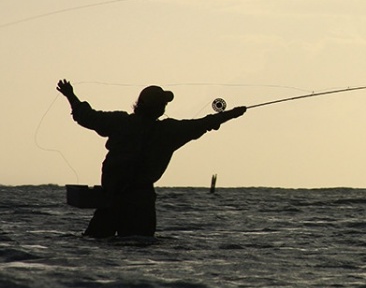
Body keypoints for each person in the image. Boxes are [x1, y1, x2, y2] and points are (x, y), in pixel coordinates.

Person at [56, 79, 246, 238]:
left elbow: (87, 117)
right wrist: (232, 114)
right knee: (140, 245)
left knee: (96, 240)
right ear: (159, 108)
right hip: (140, 202)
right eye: (163, 103)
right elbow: (205, 123)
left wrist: (70, 95)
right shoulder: (168, 131)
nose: (165, 106)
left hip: (111, 199)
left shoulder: (120, 122)